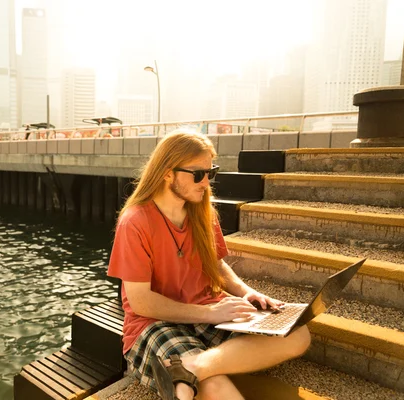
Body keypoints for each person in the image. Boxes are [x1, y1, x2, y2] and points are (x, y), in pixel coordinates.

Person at [107, 131, 311, 400]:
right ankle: (190, 373)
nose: (206, 183)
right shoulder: (135, 221)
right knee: (214, 388)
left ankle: (191, 367)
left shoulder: (202, 212)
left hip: (207, 310)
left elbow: (216, 265)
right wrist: (211, 314)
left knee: (298, 334)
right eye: (197, 174)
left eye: (210, 172)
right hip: (155, 322)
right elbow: (141, 303)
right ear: (167, 173)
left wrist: (245, 292)